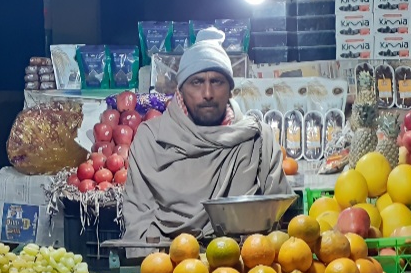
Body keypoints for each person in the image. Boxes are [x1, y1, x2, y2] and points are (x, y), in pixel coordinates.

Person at [122, 27, 290, 243]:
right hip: (168, 266)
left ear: (230, 89)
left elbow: (276, 218)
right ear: (181, 90)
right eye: (197, 82)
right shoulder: (151, 140)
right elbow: (138, 221)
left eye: (217, 82)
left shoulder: (258, 139)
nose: (208, 94)